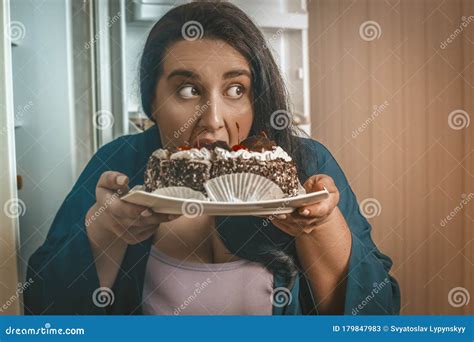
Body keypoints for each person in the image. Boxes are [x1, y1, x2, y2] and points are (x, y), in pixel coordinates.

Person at [24, 1, 400, 315]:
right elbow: (44, 312)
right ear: (152, 101)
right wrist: (106, 231)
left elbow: (378, 317)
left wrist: (318, 226)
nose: (213, 120)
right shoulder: (119, 164)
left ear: (257, 97)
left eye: (236, 89)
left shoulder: (303, 165)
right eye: (188, 89)